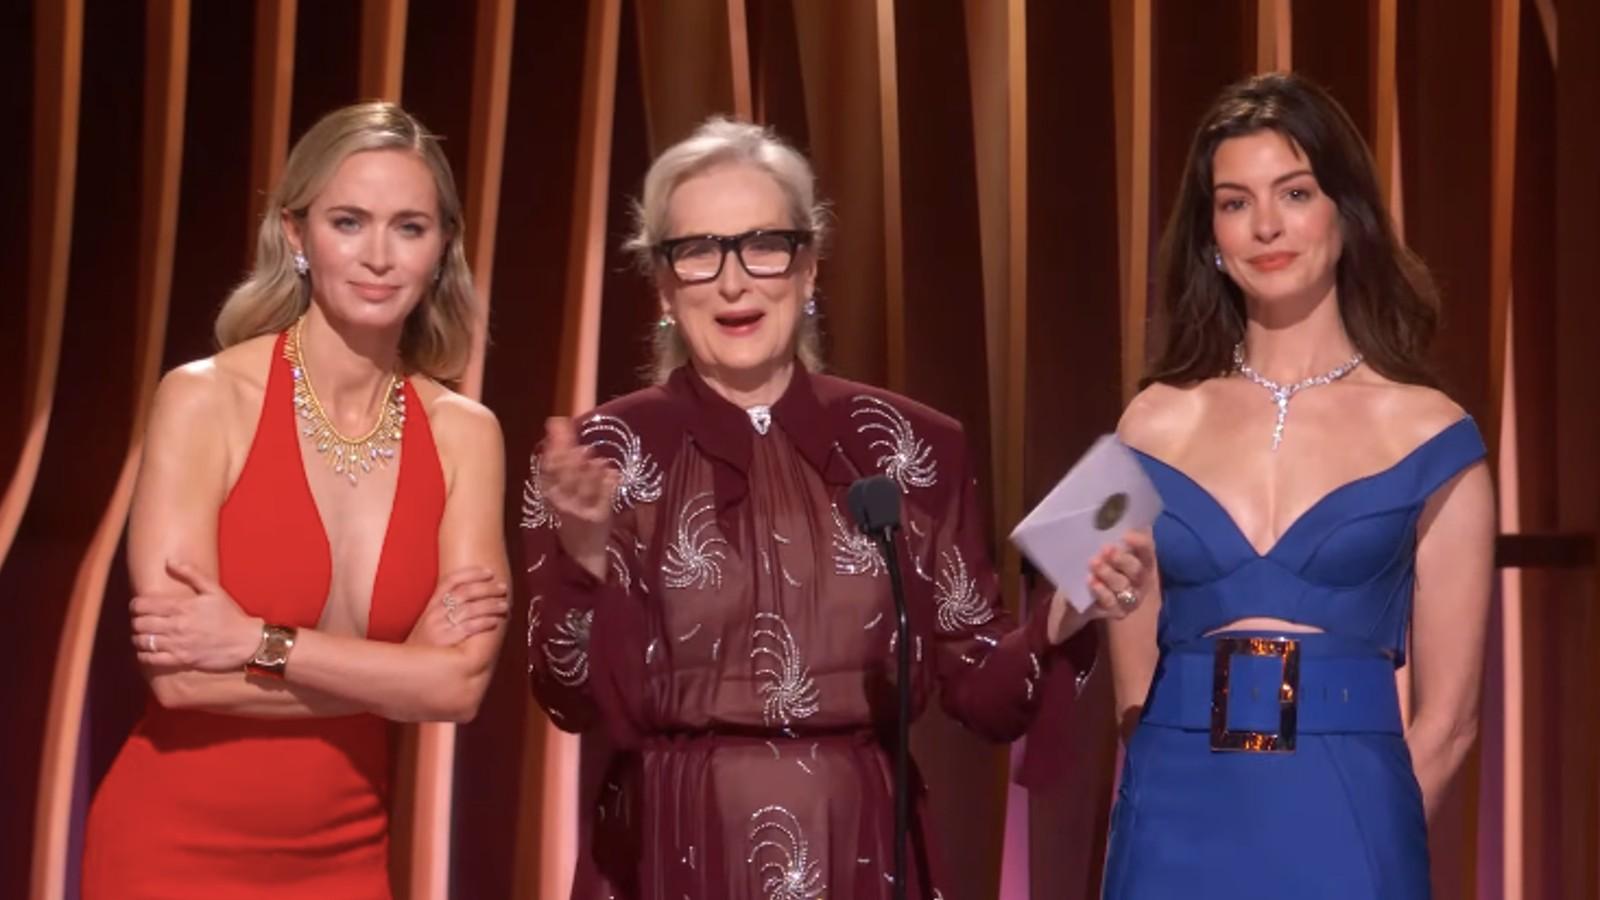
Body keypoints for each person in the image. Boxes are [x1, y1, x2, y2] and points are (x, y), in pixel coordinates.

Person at [520, 117, 1153, 898]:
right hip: (668, 856)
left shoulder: (909, 446)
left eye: (763, 245)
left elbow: (983, 694)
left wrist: (1056, 623)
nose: (732, 281)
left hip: (862, 852)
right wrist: (582, 557)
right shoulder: (602, 453)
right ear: (663, 284)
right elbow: (565, 698)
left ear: (809, 267)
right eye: (698, 252)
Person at [82, 102, 510, 899]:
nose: (378, 256)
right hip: (169, 851)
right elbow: (180, 678)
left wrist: (253, 639)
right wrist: (400, 672)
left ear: (443, 246)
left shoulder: (466, 435)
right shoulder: (206, 400)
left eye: (409, 227)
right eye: (348, 222)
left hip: (347, 860)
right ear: (295, 234)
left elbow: (459, 690)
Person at [1102, 72, 1495, 898]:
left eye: (1295, 192)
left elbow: (1451, 721)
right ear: (1209, 232)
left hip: (1347, 819)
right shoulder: (1146, 423)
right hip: (1173, 817)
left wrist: (1370, 840)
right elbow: (1125, 680)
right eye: (1235, 202)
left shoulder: (1433, 433)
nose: (1267, 226)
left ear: (1345, 214)